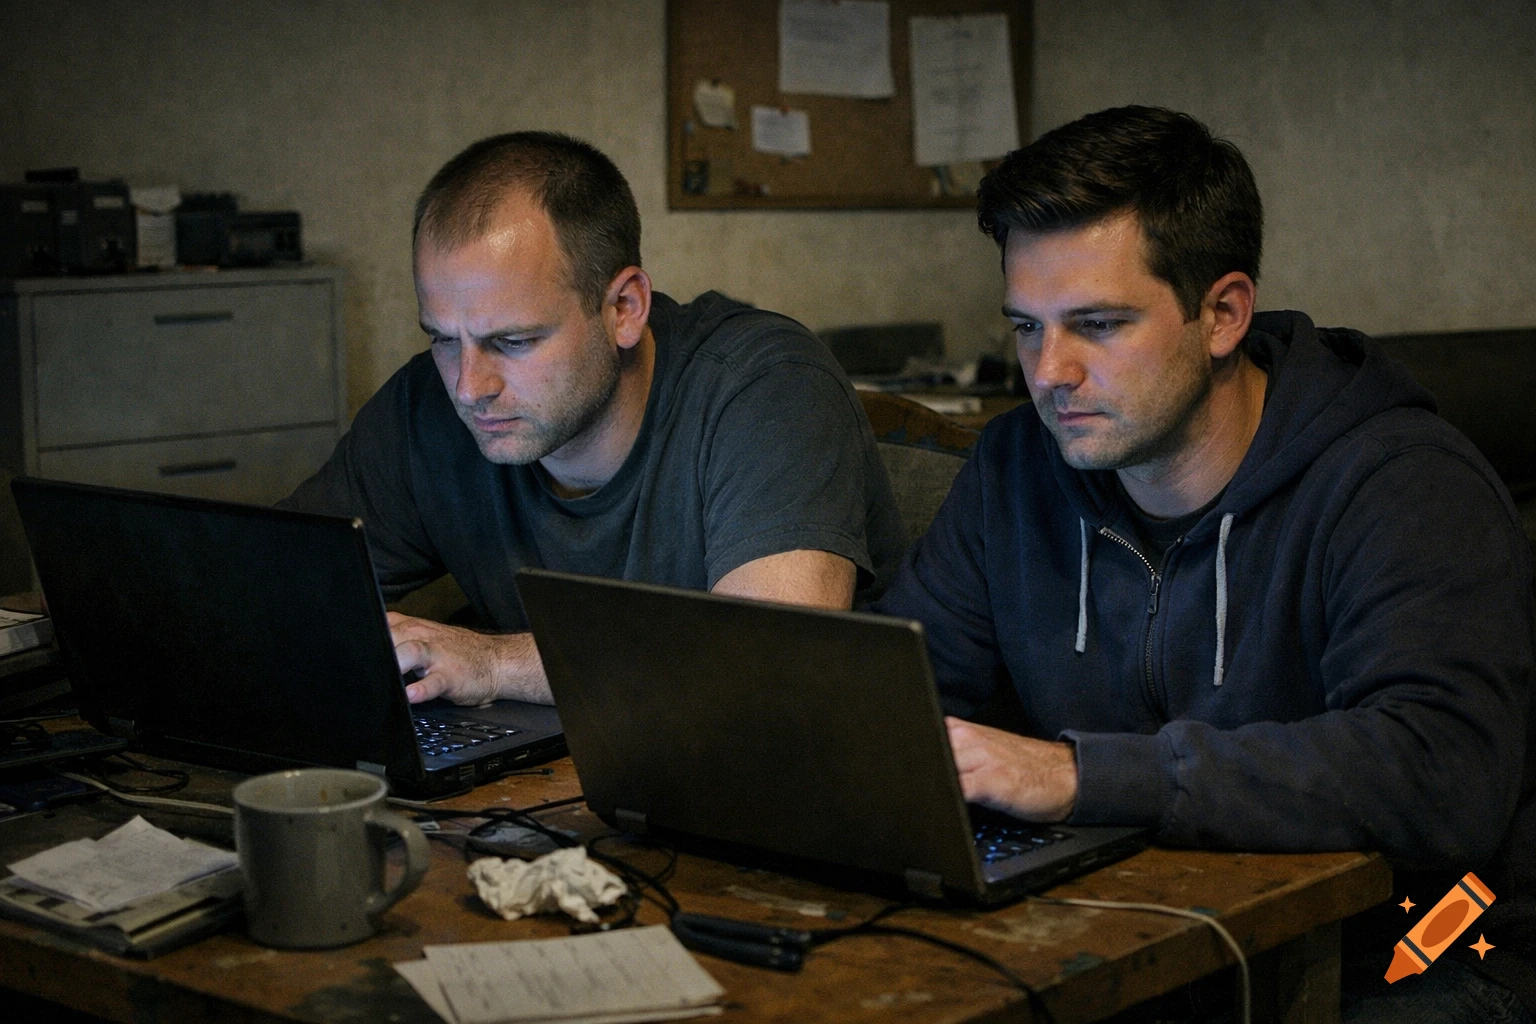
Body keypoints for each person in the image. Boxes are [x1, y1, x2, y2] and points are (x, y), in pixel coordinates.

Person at [871, 105, 1535, 1021]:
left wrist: (1082, 777)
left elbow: (1439, 774)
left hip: (1420, 951)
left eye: (1098, 324)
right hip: (1154, 924)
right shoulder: (1016, 468)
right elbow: (898, 696)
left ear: (1222, 314)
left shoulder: (1403, 484)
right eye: (1026, 327)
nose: (1049, 371)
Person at [283, 131, 904, 708]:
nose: (469, 388)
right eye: (444, 339)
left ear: (624, 308)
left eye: (514, 342)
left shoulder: (769, 386)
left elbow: (774, 661)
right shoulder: (426, 406)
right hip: (561, 762)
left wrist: (495, 663)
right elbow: (268, 594)